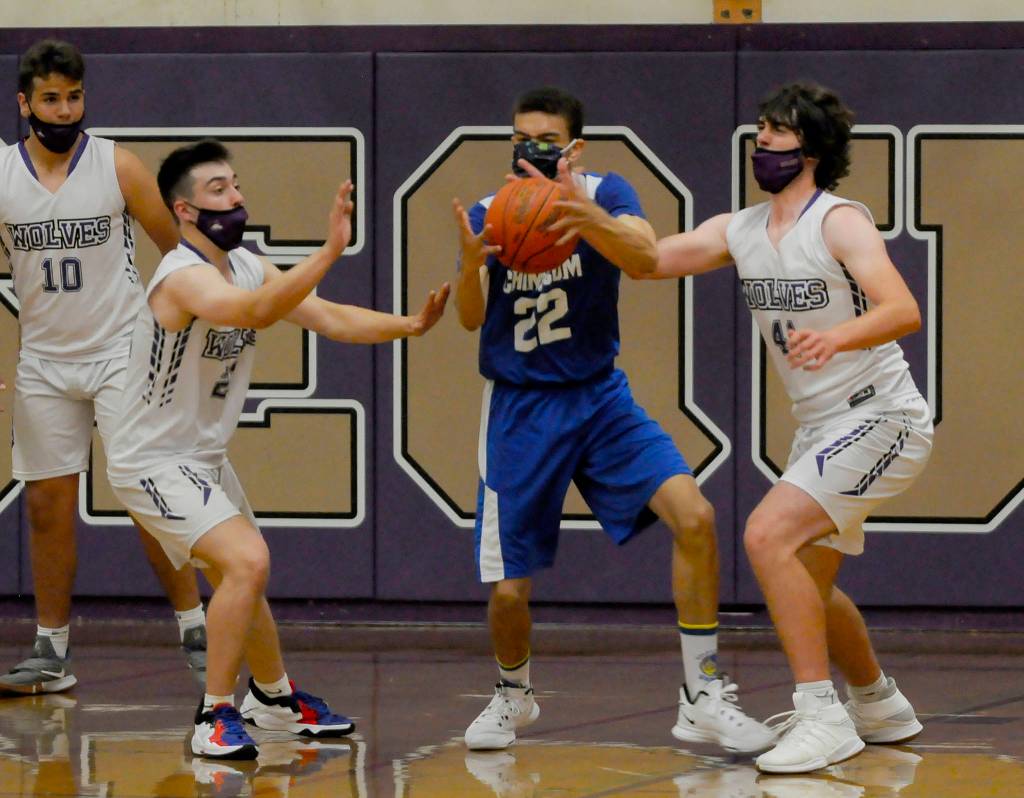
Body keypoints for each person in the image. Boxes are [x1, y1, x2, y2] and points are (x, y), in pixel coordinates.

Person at [451, 86, 774, 754]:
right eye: (519, 138)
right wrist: (469, 262)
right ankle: (513, 694)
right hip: (520, 407)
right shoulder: (493, 210)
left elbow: (644, 252)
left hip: (598, 397)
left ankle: (703, 694)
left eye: (545, 139)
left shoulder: (608, 190)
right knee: (508, 592)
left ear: (574, 147)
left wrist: (586, 215)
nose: (530, 149)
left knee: (695, 516)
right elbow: (469, 318)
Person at [105, 138, 449, 759]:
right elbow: (256, 312)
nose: (236, 197)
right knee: (247, 561)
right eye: (218, 190)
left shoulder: (245, 263)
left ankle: (273, 698)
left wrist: (410, 326)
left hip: (201, 457)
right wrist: (329, 252)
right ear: (184, 210)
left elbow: (329, 317)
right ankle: (214, 715)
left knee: (243, 575)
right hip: (150, 458)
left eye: (236, 184)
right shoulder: (182, 277)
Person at [651, 82, 933, 773]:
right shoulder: (741, 229)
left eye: (776, 130)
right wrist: (580, 218)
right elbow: (652, 260)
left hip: (882, 416)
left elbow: (903, 309)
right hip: (822, 428)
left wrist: (836, 338)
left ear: (810, 147)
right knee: (807, 582)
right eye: (760, 127)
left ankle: (821, 716)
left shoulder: (839, 221)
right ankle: (878, 703)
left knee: (765, 535)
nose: (762, 139)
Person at [0, 38, 207, 696]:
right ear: (24, 103)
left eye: (74, 97)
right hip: (44, 361)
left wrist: (185, 327)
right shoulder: (2, 174)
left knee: (149, 495)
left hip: (123, 351)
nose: (65, 110)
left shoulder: (118, 164)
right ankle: (51, 650)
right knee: (46, 506)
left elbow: (180, 253)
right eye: (51, 99)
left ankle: (197, 628)